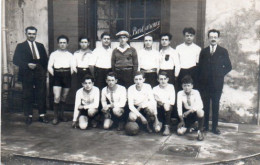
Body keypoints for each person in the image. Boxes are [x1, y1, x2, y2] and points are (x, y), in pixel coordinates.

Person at [198, 29, 232, 135]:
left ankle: (215, 127)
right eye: (211, 37)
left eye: (215, 37)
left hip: (217, 83)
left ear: (218, 38)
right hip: (205, 84)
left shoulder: (223, 51)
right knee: (206, 104)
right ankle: (205, 126)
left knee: (216, 104)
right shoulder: (204, 51)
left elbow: (228, 66)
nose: (213, 39)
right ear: (208, 38)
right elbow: (200, 67)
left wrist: (219, 74)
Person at [13, 26, 49, 125]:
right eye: (29, 34)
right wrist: (27, 65)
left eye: (33, 34)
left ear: (36, 34)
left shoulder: (40, 46)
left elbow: (45, 60)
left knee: (41, 94)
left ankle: (42, 115)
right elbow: (15, 60)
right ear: (26, 34)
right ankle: (29, 116)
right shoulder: (21, 46)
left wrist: (43, 71)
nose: (31, 36)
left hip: (39, 73)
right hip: (27, 73)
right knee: (27, 95)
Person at [48, 35, 75, 125]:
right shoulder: (54, 54)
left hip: (67, 75)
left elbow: (73, 67)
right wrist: (55, 74)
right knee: (57, 97)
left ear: (67, 44)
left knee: (64, 97)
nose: (62, 44)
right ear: (58, 44)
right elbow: (49, 67)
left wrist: (67, 74)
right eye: (61, 43)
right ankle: (55, 117)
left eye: (64, 43)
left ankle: (62, 115)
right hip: (57, 75)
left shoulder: (70, 55)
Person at [177, 75, 204, 141]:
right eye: (185, 85)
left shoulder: (196, 92)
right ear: (182, 86)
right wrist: (181, 120)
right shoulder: (180, 93)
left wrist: (190, 111)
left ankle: (200, 131)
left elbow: (200, 105)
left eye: (188, 85)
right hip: (186, 115)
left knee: (201, 112)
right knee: (179, 132)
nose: (186, 88)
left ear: (192, 86)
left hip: (194, 112)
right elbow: (179, 107)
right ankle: (190, 127)